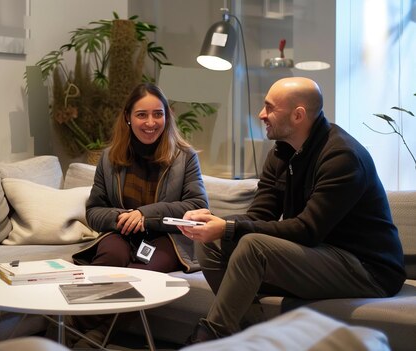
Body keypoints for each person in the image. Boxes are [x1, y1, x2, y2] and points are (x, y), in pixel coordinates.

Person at [179, 77, 406, 343]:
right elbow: (259, 217)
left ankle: (210, 338)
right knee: (208, 240)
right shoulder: (281, 153)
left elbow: (307, 230)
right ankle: (248, 332)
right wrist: (216, 223)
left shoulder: (342, 156)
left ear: (298, 116)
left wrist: (228, 226)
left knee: (253, 247)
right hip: (319, 255)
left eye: (270, 107)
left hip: (366, 269)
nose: (261, 115)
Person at [68, 82, 208, 346]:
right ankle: (78, 324)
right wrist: (122, 218)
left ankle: (88, 333)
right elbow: (94, 211)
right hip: (121, 233)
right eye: (142, 114)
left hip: (168, 239)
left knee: (141, 273)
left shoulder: (184, 157)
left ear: (167, 117)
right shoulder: (109, 158)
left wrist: (144, 214)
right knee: (111, 255)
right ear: (128, 118)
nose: (151, 122)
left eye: (158, 114)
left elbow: (197, 205)